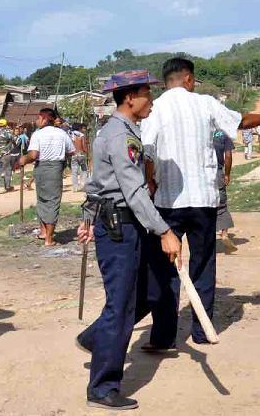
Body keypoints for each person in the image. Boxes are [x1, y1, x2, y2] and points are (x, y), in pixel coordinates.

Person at [139, 57, 260, 348]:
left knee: (166, 269)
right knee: (202, 264)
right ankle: (202, 332)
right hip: (203, 200)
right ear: (189, 79)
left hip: (167, 202)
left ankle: (163, 337)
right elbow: (239, 122)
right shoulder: (205, 103)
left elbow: (147, 152)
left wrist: (150, 182)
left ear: (167, 81)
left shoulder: (156, 109)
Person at [73, 71, 182, 411]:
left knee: (153, 290)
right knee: (119, 307)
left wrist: (87, 217)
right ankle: (102, 388)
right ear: (130, 97)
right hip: (120, 226)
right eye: (147, 94)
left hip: (125, 223)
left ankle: (96, 338)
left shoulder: (124, 131)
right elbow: (131, 189)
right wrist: (164, 231)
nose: (151, 100)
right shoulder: (120, 134)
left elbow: (97, 182)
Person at [19, 108, 74, 246]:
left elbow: (33, 155)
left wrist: (23, 160)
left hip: (40, 168)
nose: (37, 121)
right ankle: (48, 238)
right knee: (52, 202)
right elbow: (72, 151)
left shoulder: (37, 134)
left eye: (38, 118)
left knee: (42, 200)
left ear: (44, 119)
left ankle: (45, 233)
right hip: (55, 169)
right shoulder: (62, 134)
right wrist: (60, 155)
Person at [213, 130, 236, 253]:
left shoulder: (200, 129)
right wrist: (227, 174)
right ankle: (224, 233)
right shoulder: (224, 134)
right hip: (217, 172)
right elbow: (228, 156)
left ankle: (207, 237)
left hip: (202, 174)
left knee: (205, 206)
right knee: (222, 206)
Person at [0, 119, 15, 193]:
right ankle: (7, 187)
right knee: (7, 170)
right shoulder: (8, 133)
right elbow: (14, 140)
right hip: (6, 154)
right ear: (5, 125)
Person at [70, 123, 90, 192]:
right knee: (84, 170)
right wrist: (88, 153)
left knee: (74, 171)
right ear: (79, 128)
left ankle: (75, 187)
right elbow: (84, 147)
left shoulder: (71, 135)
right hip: (81, 154)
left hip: (74, 154)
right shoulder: (81, 135)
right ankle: (82, 185)